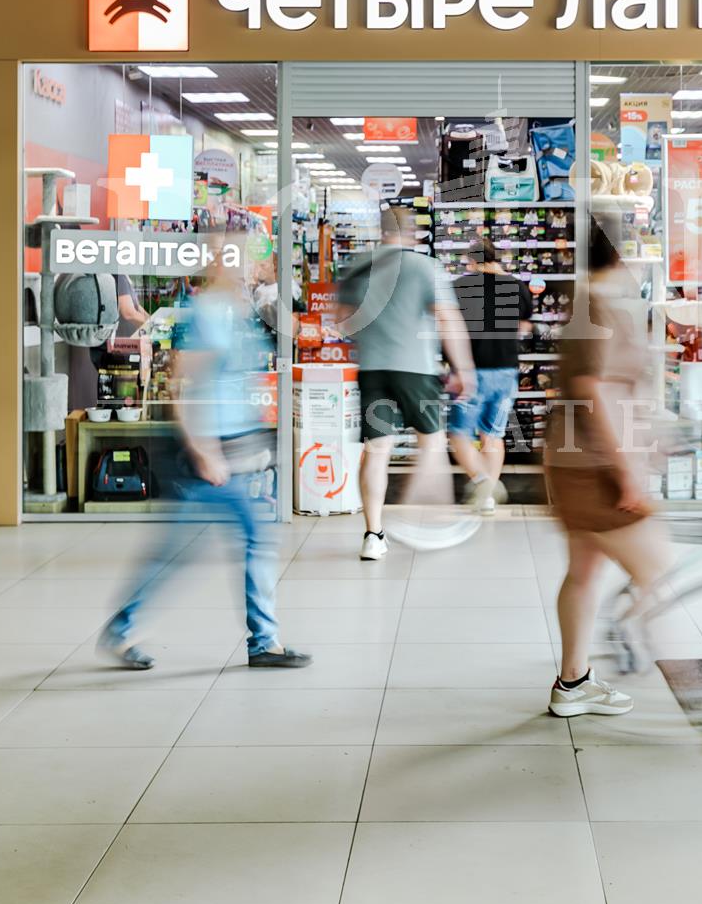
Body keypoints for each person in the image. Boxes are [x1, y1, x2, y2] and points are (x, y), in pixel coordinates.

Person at [100, 239, 310, 671]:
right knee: (229, 543)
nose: (249, 268)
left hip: (227, 451)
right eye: (240, 260)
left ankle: (124, 628)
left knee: (186, 551)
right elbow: (186, 386)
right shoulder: (207, 314)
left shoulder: (236, 311)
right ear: (220, 265)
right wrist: (203, 451)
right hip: (205, 457)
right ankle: (262, 642)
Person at [544, 211, 673, 718]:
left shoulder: (601, 298)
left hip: (584, 456)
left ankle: (573, 682)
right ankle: (625, 636)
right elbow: (591, 390)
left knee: (583, 570)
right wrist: (626, 472)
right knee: (656, 565)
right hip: (592, 463)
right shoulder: (596, 302)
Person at [337, 204, 478, 560]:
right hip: (416, 369)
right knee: (432, 442)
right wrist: (463, 368)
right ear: (413, 233)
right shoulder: (424, 267)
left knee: (376, 450)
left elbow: (343, 321)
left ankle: (373, 535)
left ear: (381, 230)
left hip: (372, 369)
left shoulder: (358, 266)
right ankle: (423, 518)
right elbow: (448, 320)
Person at [449, 236, 533, 515]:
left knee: (459, 435)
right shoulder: (518, 287)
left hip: (472, 372)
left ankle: (483, 482)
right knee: (493, 436)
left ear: (472, 261)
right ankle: (487, 499)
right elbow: (523, 328)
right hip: (506, 371)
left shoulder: (459, 287)